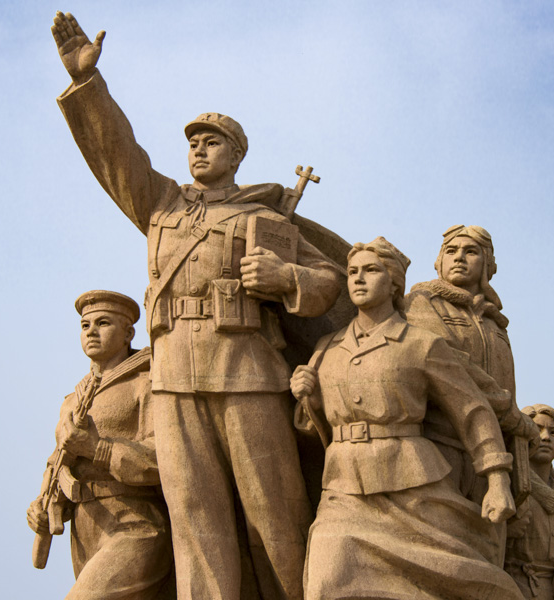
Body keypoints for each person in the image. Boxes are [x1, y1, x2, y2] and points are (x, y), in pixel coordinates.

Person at [51, 13, 343, 599]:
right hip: (174, 377)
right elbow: (117, 156)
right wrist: (89, 86)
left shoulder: (263, 217)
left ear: (236, 155)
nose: (198, 149)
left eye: (212, 142)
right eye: (192, 142)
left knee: (275, 515)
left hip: (247, 371)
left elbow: (330, 280)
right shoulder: (162, 206)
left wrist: (286, 276)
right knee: (195, 522)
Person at [291, 237, 523, 600]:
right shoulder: (327, 347)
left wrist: (497, 478)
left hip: (413, 487)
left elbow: (472, 410)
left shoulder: (422, 343)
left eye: (371, 270)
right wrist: (310, 399)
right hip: (342, 491)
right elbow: (313, 429)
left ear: (395, 282)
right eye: (352, 272)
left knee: (463, 576)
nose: (358, 279)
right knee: (325, 580)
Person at [27, 290, 175, 600]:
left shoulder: (146, 383)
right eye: (85, 325)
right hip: (86, 529)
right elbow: (57, 465)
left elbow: (165, 458)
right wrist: (43, 506)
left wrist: (98, 448)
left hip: (135, 524)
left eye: (103, 322)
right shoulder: (72, 401)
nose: (91, 331)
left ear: (128, 333)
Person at [405, 225, 536, 508]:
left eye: (471, 251)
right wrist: (511, 413)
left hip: (495, 451)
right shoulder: (421, 303)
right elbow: (452, 364)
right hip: (440, 444)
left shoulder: (495, 323)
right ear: (439, 262)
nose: (459, 257)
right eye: (451, 251)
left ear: (489, 265)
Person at [504, 405, 554, 600]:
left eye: (553, 432)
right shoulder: (508, 487)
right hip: (514, 589)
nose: (546, 437)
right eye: (537, 429)